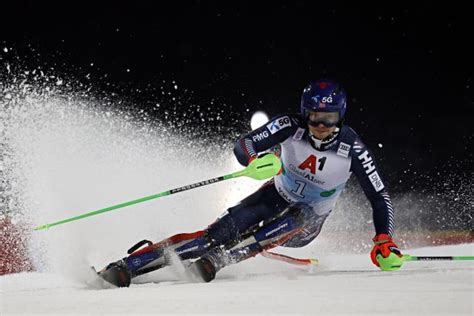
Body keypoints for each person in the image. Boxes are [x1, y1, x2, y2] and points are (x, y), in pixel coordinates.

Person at [98, 79, 402, 287]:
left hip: (308, 222)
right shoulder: (289, 126)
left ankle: (223, 257)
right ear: (304, 113)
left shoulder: (355, 150)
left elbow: (379, 197)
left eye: (329, 119)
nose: (320, 127)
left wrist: (384, 239)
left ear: (341, 117)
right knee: (214, 235)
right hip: (275, 195)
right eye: (314, 117)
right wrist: (254, 161)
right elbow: (244, 145)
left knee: (303, 214)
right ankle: (127, 266)